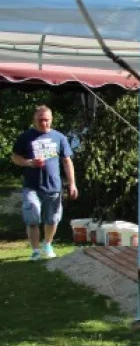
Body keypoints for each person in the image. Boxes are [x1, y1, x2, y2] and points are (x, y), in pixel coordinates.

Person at [11, 105, 78, 260]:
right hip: (31, 186)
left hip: (53, 186)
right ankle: (35, 251)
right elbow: (15, 158)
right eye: (41, 120)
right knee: (32, 215)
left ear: (51, 119)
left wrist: (72, 183)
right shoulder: (25, 137)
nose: (44, 123)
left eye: (47, 120)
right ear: (34, 119)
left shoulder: (59, 137)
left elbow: (67, 161)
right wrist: (29, 163)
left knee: (52, 218)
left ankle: (47, 245)